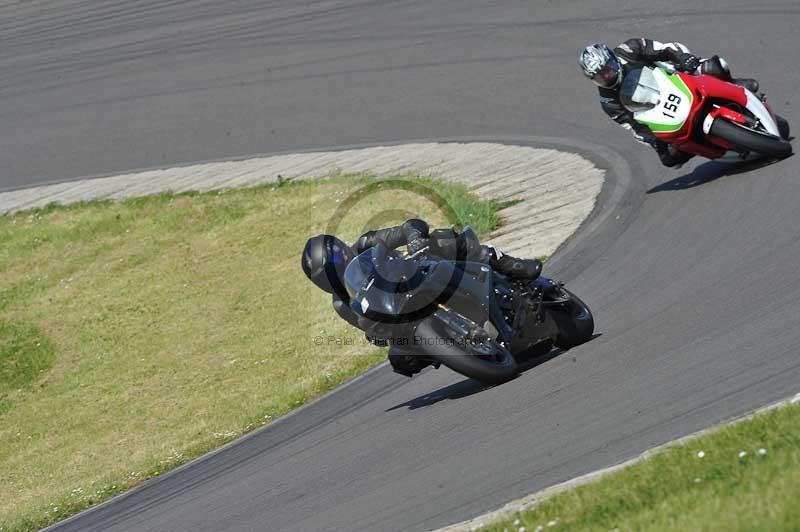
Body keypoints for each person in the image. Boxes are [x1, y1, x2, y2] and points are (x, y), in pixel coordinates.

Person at [301, 219, 543, 377]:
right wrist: (377, 334)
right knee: (400, 360)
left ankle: (511, 265)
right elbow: (368, 326)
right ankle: (461, 347)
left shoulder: (366, 243)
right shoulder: (341, 303)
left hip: (419, 273)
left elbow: (409, 226)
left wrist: (414, 238)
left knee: (444, 239)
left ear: (342, 251)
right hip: (400, 313)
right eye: (324, 278)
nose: (333, 276)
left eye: (333, 266)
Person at [579, 39, 760, 167]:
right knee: (669, 158)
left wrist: (684, 58)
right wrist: (654, 140)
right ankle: (712, 149)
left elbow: (666, 49)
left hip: (677, 78)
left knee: (715, 65)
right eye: (599, 77)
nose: (606, 77)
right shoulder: (608, 101)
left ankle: (734, 85)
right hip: (660, 111)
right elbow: (634, 127)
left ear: (612, 60)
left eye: (607, 71)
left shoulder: (630, 49)